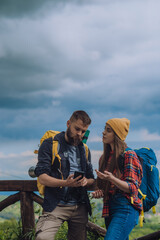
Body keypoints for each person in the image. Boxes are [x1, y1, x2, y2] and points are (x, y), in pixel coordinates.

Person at [35, 110, 95, 240]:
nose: (79, 134)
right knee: (42, 238)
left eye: (83, 131)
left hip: (80, 206)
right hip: (56, 205)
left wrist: (86, 181)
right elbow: (42, 177)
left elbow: (91, 179)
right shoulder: (50, 144)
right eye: (77, 129)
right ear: (68, 124)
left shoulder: (84, 149)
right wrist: (65, 183)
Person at [92, 118, 143, 240]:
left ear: (117, 135)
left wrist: (112, 178)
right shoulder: (104, 158)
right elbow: (106, 187)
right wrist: (99, 192)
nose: (103, 132)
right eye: (105, 129)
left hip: (125, 207)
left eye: (108, 130)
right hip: (110, 207)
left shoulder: (128, 155)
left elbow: (132, 188)